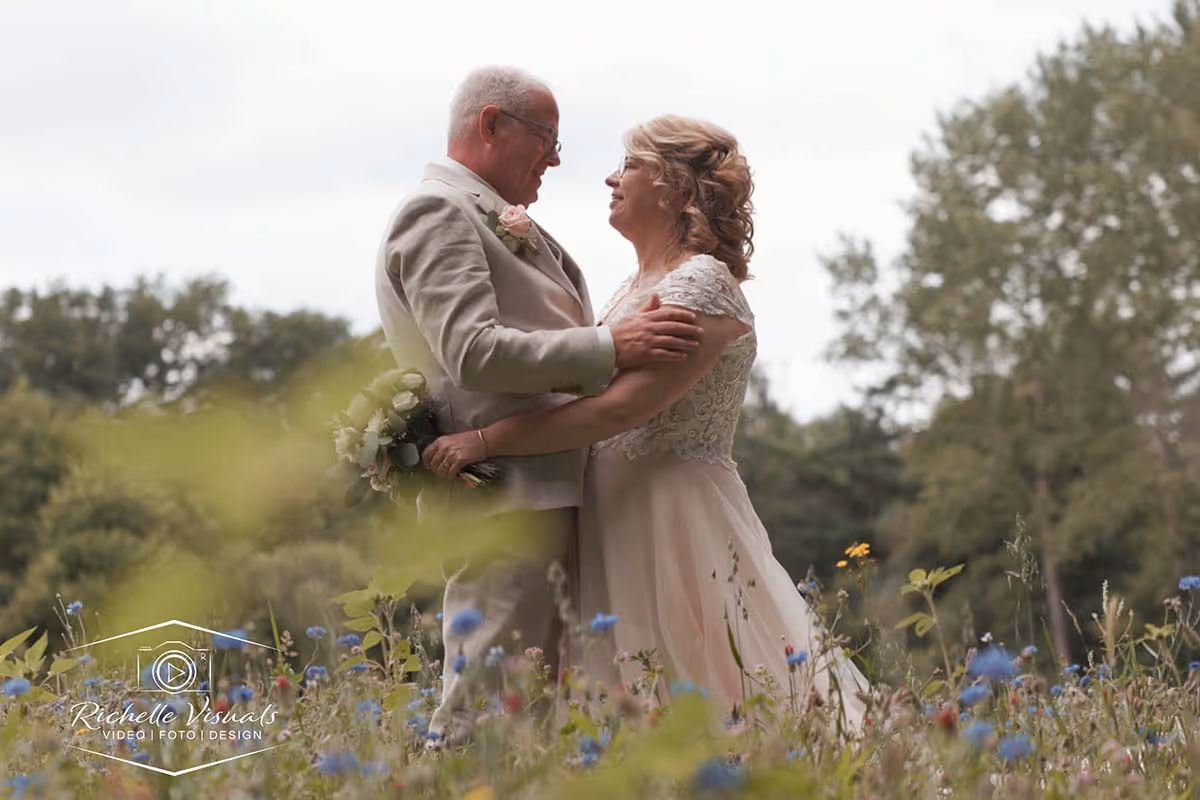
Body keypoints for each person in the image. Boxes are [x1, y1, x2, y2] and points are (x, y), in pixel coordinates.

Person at [422, 114, 869, 728]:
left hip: (671, 519)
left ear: (675, 187)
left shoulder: (702, 282)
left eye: (629, 165)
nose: (611, 178)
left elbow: (619, 409)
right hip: (612, 515)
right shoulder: (630, 288)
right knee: (625, 700)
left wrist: (484, 440)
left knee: (705, 687)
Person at [375, 68, 704, 744]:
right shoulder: (438, 211)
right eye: (547, 139)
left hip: (540, 491)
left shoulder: (479, 212)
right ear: (492, 124)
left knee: (524, 714)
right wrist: (610, 346)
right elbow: (472, 352)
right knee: (486, 710)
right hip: (503, 498)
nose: (555, 159)